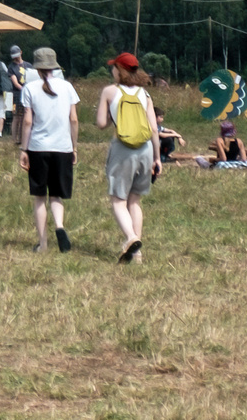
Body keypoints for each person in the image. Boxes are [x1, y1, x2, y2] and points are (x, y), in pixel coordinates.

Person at [95, 53, 160, 264]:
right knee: (135, 200)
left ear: (119, 70)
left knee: (118, 200)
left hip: (122, 148)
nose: (111, 71)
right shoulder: (145, 94)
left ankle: (131, 238)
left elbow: (101, 124)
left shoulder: (109, 91)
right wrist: (157, 158)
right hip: (146, 149)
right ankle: (137, 254)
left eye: (113, 67)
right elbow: (153, 129)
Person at [15, 45, 80, 253]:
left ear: (36, 67)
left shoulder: (29, 89)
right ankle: (59, 226)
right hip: (63, 147)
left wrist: (23, 150)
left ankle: (43, 243)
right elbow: (74, 119)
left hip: (38, 148)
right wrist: (74, 147)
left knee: (39, 197)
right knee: (56, 196)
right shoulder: (67, 87)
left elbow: (27, 122)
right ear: (54, 66)